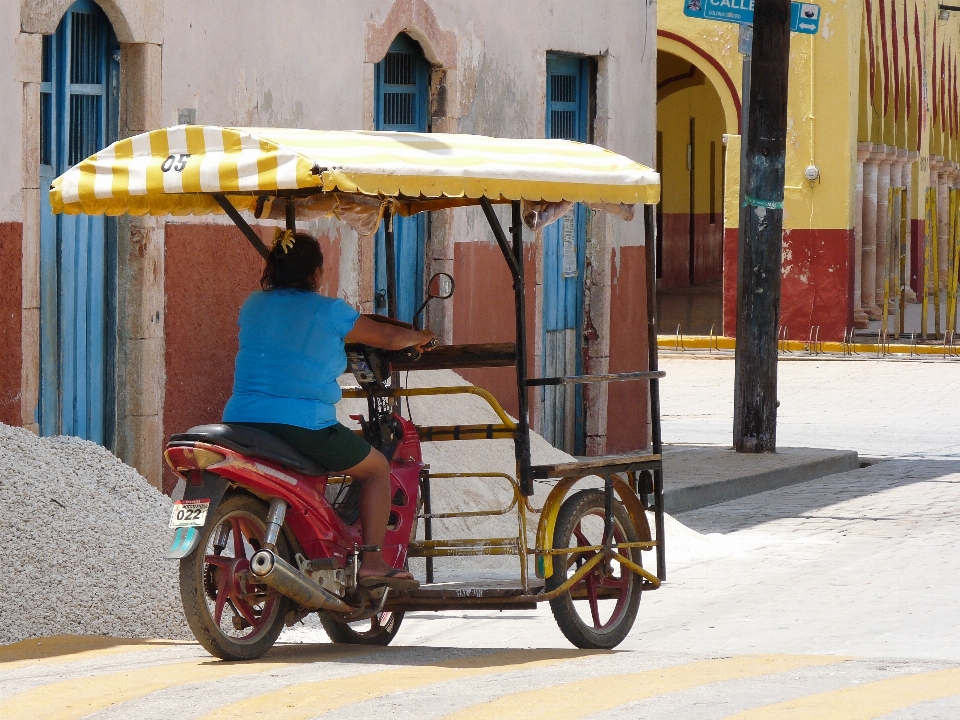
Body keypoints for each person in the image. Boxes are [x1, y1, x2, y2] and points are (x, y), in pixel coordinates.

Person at [223, 228, 435, 590]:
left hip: (241, 421)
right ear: (316, 274)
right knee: (376, 468)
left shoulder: (253, 304)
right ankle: (371, 561)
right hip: (303, 425)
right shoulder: (332, 312)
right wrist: (421, 337)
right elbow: (387, 338)